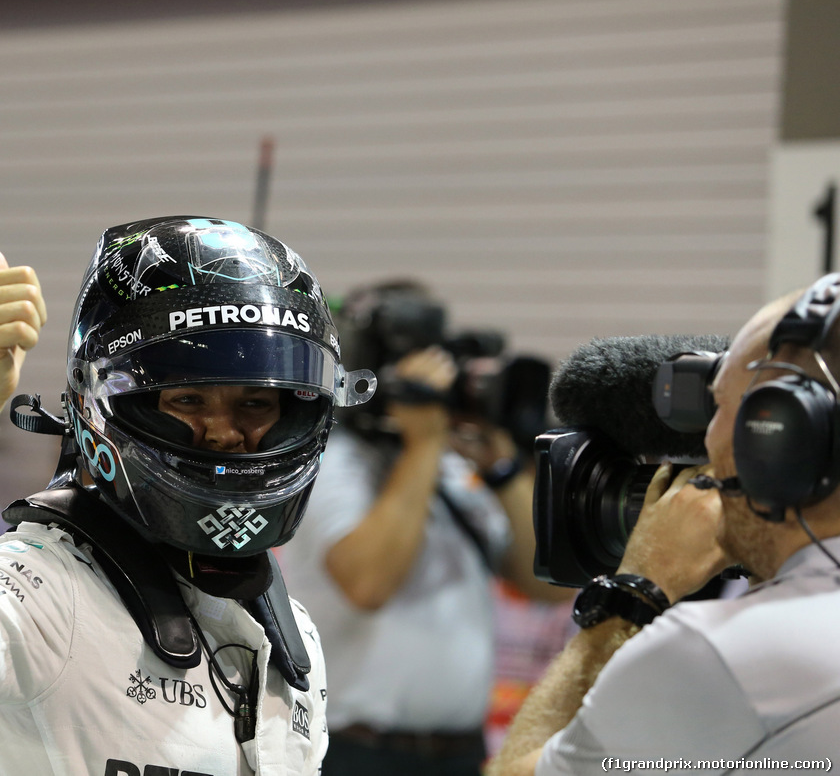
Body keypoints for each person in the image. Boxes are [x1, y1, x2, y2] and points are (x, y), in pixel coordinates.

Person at [0, 217, 377, 775]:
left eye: (256, 404)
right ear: (104, 408)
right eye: (187, 399)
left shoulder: (292, 634)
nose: (224, 432)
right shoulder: (51, 590)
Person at [487, 276, 840, 776]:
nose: (706, 442)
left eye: (720, 406)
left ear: (780, 432)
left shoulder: (722, 653)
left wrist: (633, 592)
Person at [277, 281, 568, 776]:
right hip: (354, 753)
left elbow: (546, 582)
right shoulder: (331, 464)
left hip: (461, 753)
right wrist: (424, 445)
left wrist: (500, 465)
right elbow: (368, 583)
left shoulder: (451, 468)